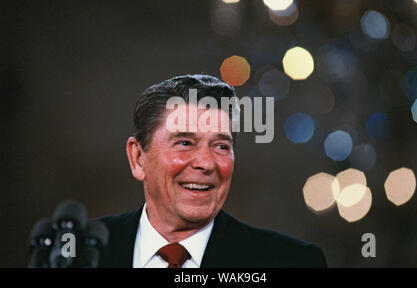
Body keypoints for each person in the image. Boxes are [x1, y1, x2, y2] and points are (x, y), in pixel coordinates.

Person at [96, 74, 327, 268]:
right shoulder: (74, 253)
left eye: (221, 146)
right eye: (185, 143)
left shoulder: (293, 261)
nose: (206, 163)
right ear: (137, 158)